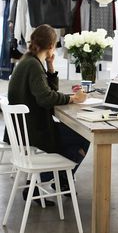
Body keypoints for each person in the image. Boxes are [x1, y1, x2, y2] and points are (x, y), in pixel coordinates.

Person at [3, 24, 90, 205]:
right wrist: (73, 99)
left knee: (73, 136)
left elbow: (48, 91)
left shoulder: (28, 60)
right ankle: (52, 179)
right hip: (34, 130)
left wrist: (51, 67)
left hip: (25, 126)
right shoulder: (33, 66)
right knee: (83, 137)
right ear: (52, 46)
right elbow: (45, 98)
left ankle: (61, 180)